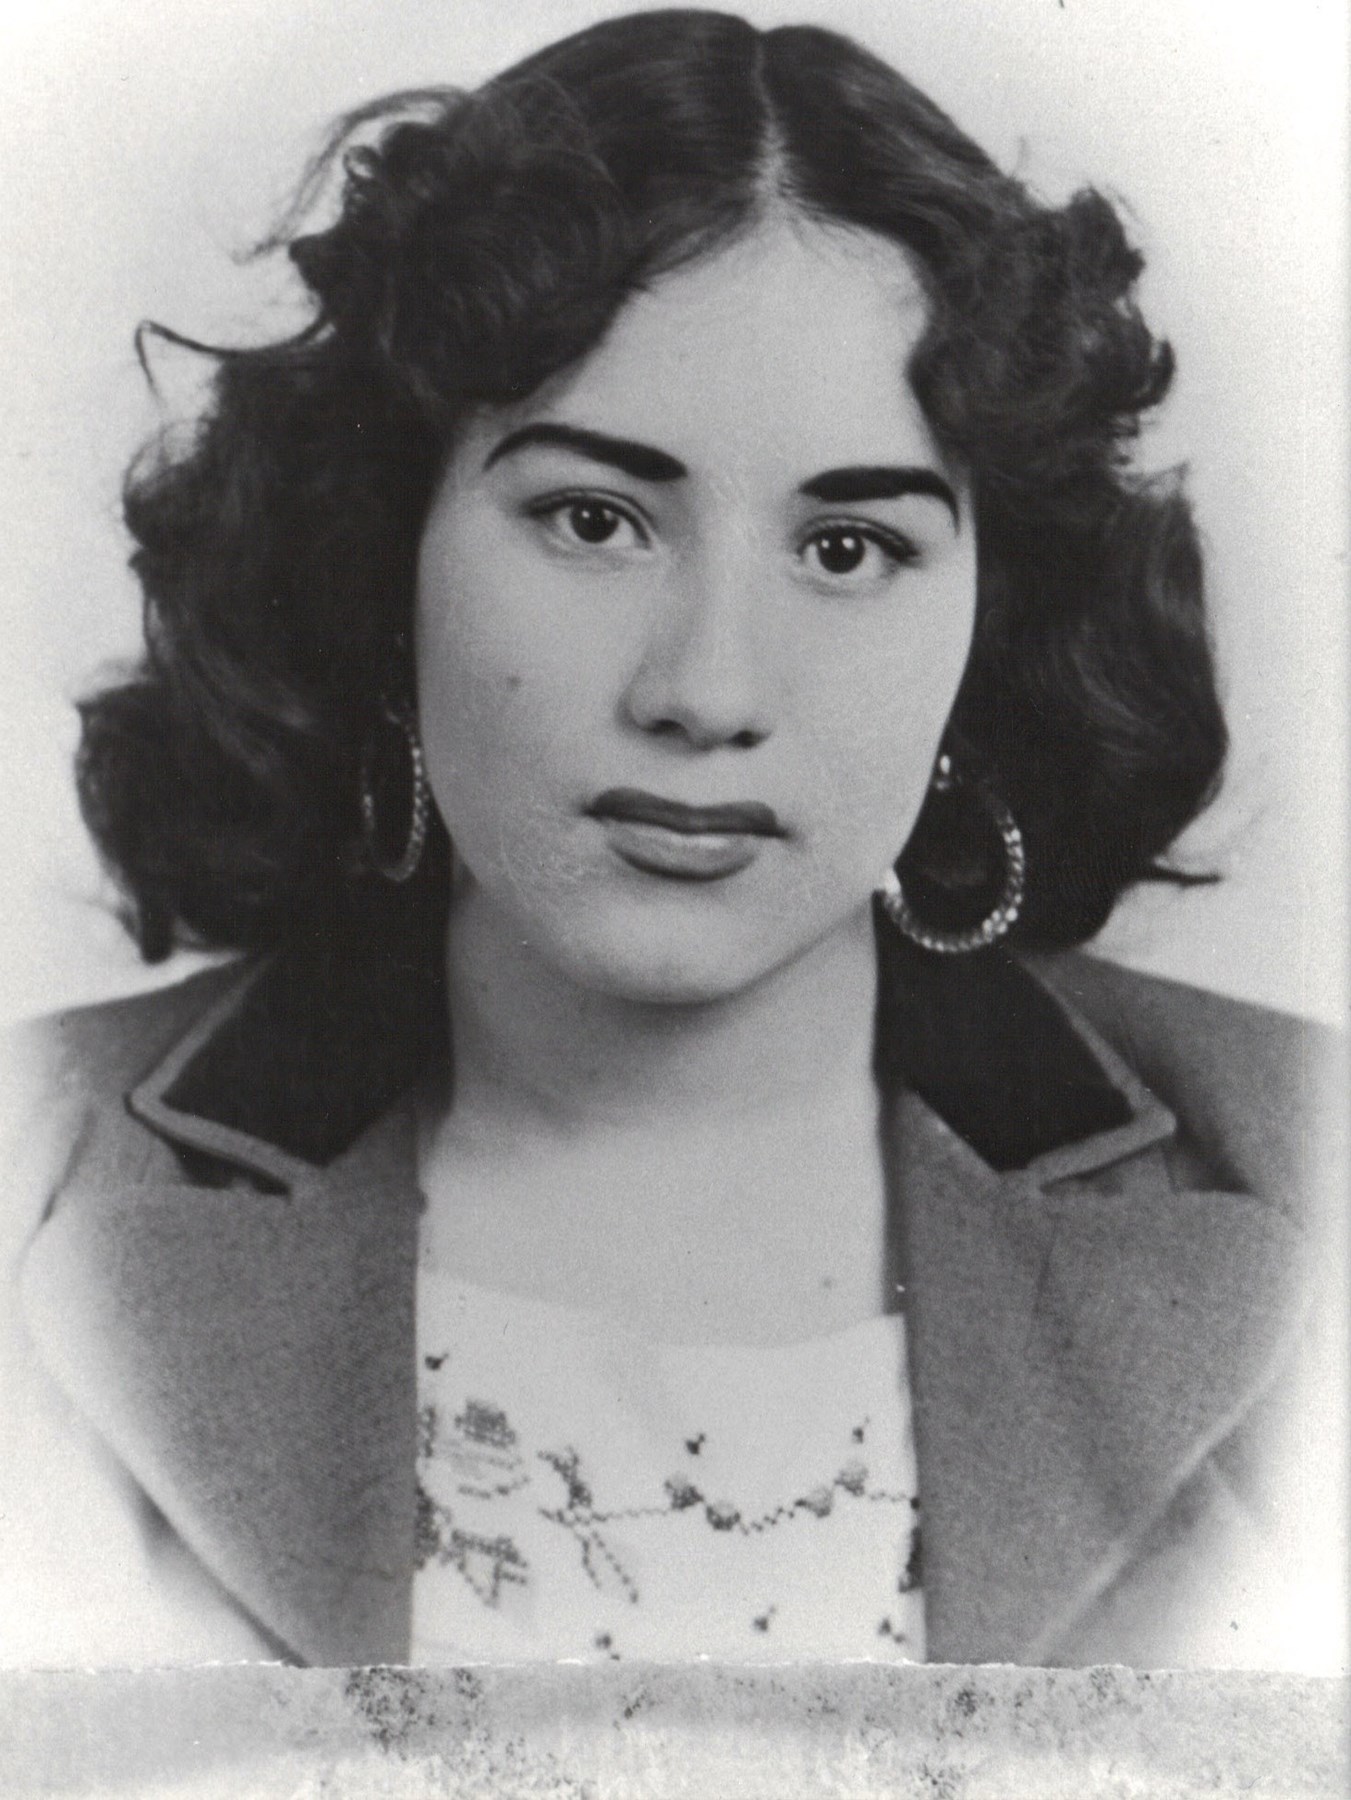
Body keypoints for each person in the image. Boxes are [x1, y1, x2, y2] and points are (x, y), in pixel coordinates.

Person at [1, 8, 1341, 1671]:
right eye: (593, 519)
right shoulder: (31, 1172)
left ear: (989, 616)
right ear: (387, 555)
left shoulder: (1315, 1167)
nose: (707, 690)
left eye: (848, 549)